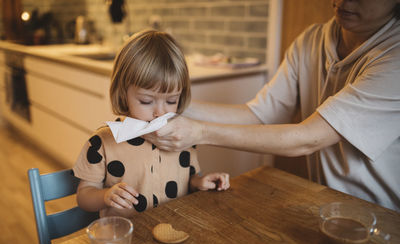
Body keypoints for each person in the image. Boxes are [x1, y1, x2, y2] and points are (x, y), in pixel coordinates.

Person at [145, 0, 400, 211]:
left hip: (380, 215)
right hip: (324, 205)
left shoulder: (394, 57)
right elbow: (258, 114)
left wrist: (200, 131)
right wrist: (166, 102)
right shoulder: (311, 40)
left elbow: (307, 138)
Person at [73, 29, 230, 218]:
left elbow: (188, 179)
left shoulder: (181, 137)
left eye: (171, 101)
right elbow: (84, 196)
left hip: (175, 227)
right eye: (147, 101)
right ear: (123, 93)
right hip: (129, 238)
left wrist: (200, 182)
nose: (160, 112)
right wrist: (105, 195)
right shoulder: (102, 142)